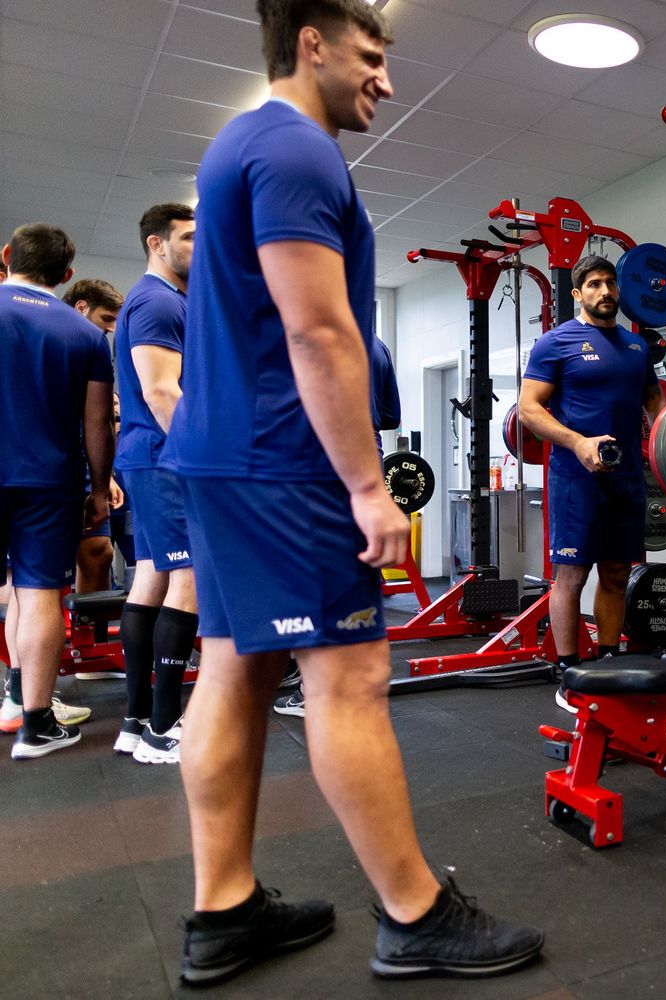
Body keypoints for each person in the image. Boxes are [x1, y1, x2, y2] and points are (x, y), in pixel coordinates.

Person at [160, 0, 542, 984]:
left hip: (221, 455)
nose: (386, 79)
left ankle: (223, 907)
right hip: (284, 462)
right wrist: (371, 489)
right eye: (371, 57)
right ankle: (414, 911)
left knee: (234, 668)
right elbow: (319, 331)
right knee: (350, 677)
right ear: (311, 43)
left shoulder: (240, 142)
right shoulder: (297, 150)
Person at [519, 254, 666, 703]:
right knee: (571, 576)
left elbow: (657, 406)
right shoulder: (555, 343)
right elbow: (528, 409)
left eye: (611, 284)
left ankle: (607, 664)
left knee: (618, 572)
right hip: (575, 477)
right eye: (595, 284)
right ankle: (567, 672)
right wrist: (577, 443)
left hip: (626, 476)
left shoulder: (637, 347)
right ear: (578, 293)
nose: (606, 292)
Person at [0, 224, 115, 759]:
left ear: (7, 257)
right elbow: (98, 426)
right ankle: (35, 724)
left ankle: (14, 699)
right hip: (50, 480)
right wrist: (98, 489)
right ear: (66, 275)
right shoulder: (86, 335)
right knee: (39, 592)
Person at [273, 333, 399, 720]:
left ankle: (321, 689)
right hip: (367, 458)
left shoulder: (304, 333)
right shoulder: (378, 345)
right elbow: (391, 417)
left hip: (321, 460)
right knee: (350, 572)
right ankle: (346, 679)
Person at [113, 203, 199, 766]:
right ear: (156, 244)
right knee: (188, 579)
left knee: (150, 577)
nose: (201, 248)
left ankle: (136, 718)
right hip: (167, 457)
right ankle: (165, 730)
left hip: (149, 457)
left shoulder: (159, 301)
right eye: (189, 238)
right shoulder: (158, 302)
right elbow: (161, 391)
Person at [61, 279, 125, 594]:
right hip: (37, 465)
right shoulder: (48, 337)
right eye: (107, 319)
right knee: (29, 570)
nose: (112, 328)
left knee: (99, 552)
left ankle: (91, 640)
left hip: (85, 466)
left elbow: (95, 420)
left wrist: (105, 477)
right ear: (82, 308)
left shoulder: (95, 351)